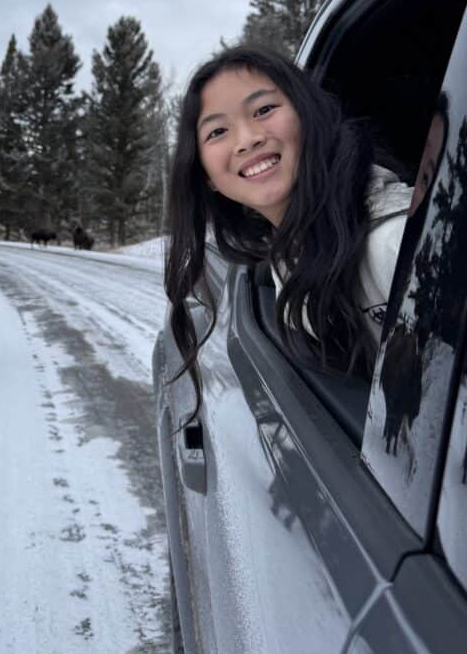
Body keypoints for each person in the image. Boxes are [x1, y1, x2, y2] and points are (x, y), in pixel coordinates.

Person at [164, 45, 414, 410]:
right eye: (217, 131)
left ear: (309, 116)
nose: (247, 139)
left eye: (264, 109)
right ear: (207, 177)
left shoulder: (398, 243)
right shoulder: (285, 251)